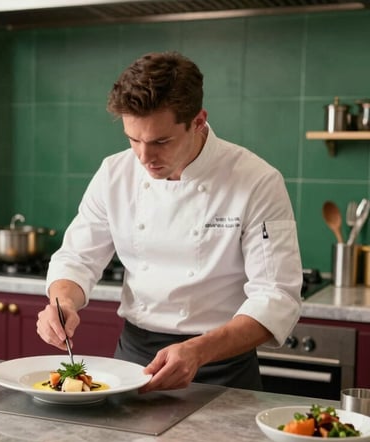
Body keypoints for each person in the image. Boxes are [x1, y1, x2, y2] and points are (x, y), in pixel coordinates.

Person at [36, 51, 302, 393]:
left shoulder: (256, 181)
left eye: (161, 141)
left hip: (222, 368)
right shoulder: (114, 174)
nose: (144, 157)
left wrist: (197, 350)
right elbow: (77, 258)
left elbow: (277, 296)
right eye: (134, 140)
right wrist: (63, 302)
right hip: (133, 363)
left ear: (198, 121)